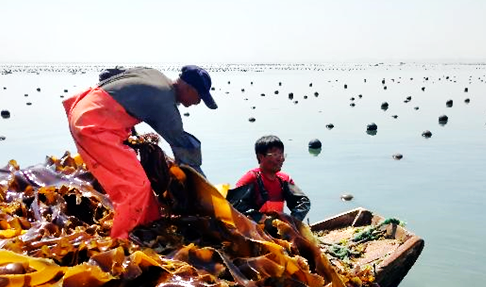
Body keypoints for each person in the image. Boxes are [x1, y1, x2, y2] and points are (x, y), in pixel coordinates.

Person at [62, 65, 217, 239]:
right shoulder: (165, 104)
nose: (197, 103)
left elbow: (117, 81)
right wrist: (203, 188)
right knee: (135, 187)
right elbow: (184, 146)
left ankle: (148, 227)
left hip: (84, 108)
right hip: (93, 125)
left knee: (143, 184)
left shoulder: (155, 74)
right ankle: (122, 241)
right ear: (189, 88)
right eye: (199, 98)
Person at [228, 135, 310, 221]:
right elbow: (234, 206)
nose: (280, 159)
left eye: (282, 154)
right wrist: (259, 218)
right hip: (254, 231)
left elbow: (303, 202)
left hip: (278, 229)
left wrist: (292, 221)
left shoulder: (284, 180)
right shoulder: (250, 179)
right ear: (260, 157)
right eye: (275, 155)